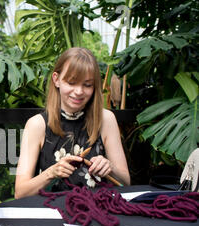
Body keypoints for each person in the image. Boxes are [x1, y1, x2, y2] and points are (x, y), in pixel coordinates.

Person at [15, 47, 130, 198]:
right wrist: (51, 173)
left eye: (87, 85)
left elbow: (126, 183)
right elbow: (20, 192)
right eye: (71, 82)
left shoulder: (106, 119)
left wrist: (109, 168)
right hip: (52, 214)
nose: (79, 91)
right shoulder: (37, 124)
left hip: (99, 212)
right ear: (56, 80)